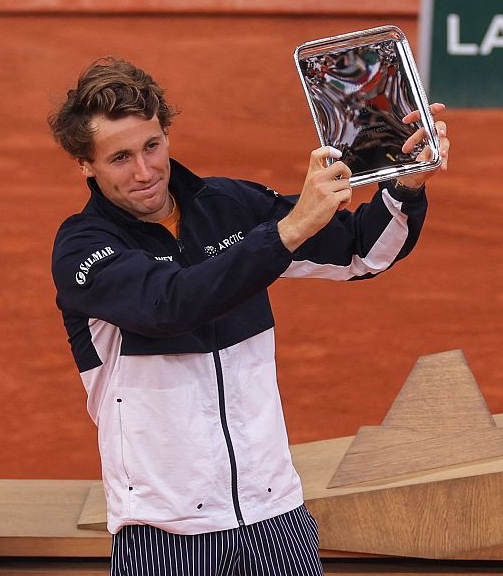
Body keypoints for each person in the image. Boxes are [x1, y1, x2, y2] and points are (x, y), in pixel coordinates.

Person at [48, 58, 450, 575]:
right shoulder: (83, 249)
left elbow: (359, 253)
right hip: (165, 534)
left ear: (166, 133)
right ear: (86, 165)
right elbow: (170, 305)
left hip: (274, 515)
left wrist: (406, 184)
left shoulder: (229, 206)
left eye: (152, 147)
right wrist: (286, 232)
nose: (144, 172)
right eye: (120, 158)